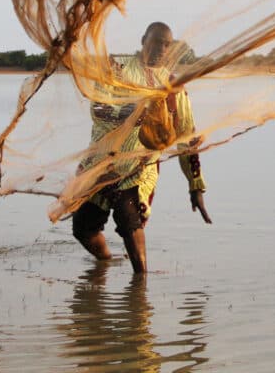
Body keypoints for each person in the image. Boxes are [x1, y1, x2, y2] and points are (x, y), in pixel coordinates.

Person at [71, 22, 212, 273]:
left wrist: (195, 185)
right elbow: (99, 109)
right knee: (83, 228)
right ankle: (105, 262)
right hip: (101, 163)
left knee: (129, 219)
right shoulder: (116, 68)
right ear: (143, 40)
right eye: (156, 41)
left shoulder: (172, 86)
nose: (160, 48)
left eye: (166, 44)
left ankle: (140, 293)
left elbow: (187, 138)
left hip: (139, 167)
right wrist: (135, 111)